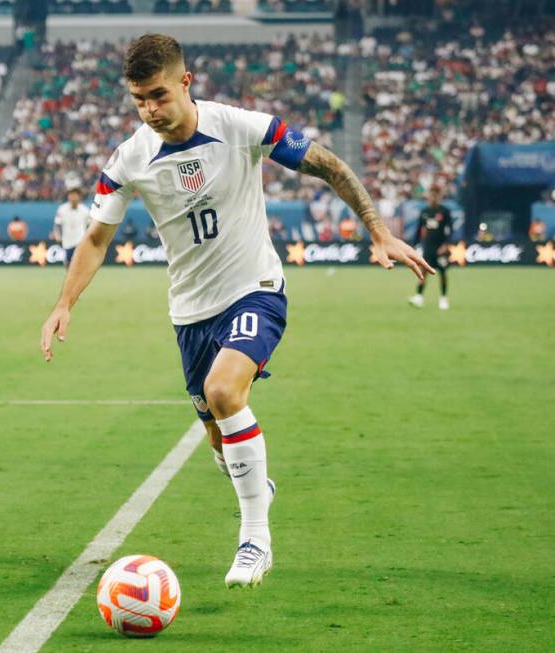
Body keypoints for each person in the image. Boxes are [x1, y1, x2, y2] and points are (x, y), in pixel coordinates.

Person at [41, 34, 432, 589]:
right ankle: (255, 485)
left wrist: (379, 231)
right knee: (222, 446)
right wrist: (63, 303)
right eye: (138, 101)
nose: (150, 110)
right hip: (190, 312)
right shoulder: (130, 158)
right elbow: (97, 239)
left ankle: (255, 539)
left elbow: (328, 165)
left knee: (226, 393)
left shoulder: (241, 126)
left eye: (157, 95)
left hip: (256, 289)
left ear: (185, 82)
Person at [408, 186, 453, 310]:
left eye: (435, 195)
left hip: (441, 248)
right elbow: (418, 230)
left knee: (442, 273)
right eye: (431, 195)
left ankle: (443, 298)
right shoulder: (425, 212)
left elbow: (450, 230)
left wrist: (446, 245)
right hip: (428, 247)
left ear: (439, 196)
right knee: (423, 272)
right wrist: (413, 246)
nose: (433, 197)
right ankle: (419, 297)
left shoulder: (445, 211)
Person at [53, 188, 91, 267]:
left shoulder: (85, 210)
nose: (73, 197)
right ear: (68, 196)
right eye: (71, 195)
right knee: (68, 264)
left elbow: (89, 225)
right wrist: (58, 236)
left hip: (81, 241)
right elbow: (57, 224)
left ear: (79, 197)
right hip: (67, 241)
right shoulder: (62, 209)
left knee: (80, 264)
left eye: (75, 195)